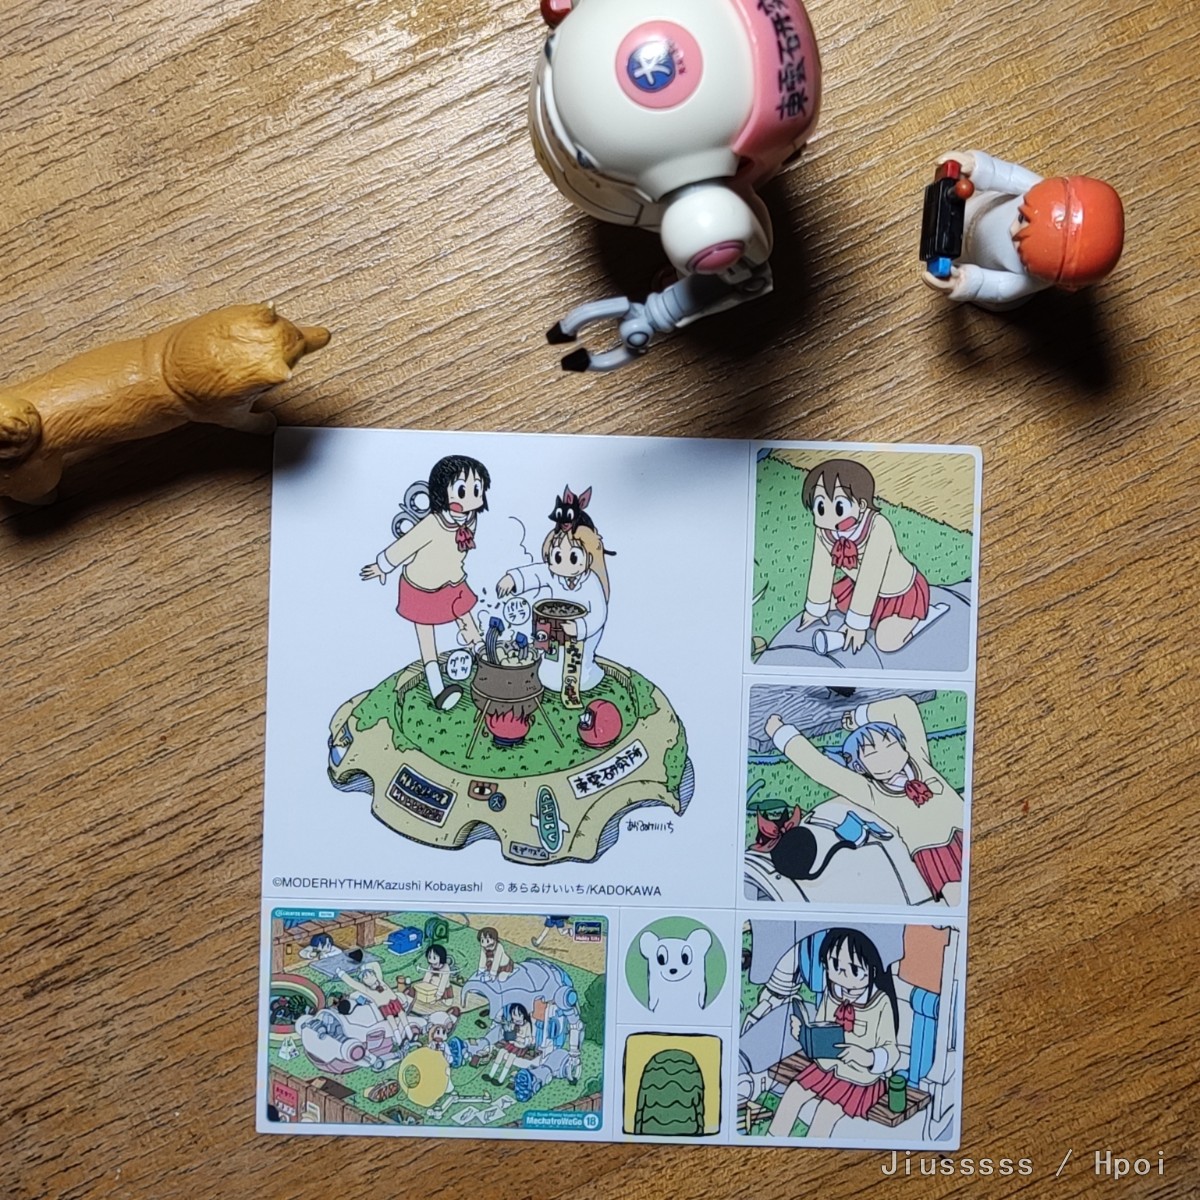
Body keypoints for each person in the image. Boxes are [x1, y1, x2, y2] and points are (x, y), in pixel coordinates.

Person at [765, 695, 964, 906]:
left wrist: (860, 716)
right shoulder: (871, 792)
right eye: (872, 754)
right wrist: (780, 732)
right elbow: (821, 769)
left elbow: (904, 707)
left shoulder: (919, 758)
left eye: (890, 744)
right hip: (934, 851)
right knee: (958, 898)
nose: (886, 755)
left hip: (966, 829)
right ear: (860, 767)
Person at [360, 455, 491, 710]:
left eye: (477, 490)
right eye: (462, 490)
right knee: (427, 639)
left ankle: (482, 653)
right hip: (421, 587)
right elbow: (404, 546)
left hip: (452, 581)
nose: (471, 498)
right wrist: (382, 566)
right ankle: (438, 689)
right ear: (443, 493)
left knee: (467, 617)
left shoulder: (470, 519)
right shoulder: (432, 524)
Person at [921, 150, 1124, 311]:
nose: (1012, 229)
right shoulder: (1036, 189)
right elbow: (1005, 175)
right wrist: (974, 166)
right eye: (1021, 218)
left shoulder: (1027, 280)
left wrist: (960, 282)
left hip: (974, 261)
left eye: (1020, 246)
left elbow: (997, 286)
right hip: (977, 208)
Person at [797, 459, 943, 655]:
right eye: (821, 507)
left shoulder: (878, 527)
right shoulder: (825, 529)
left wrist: (856, 624)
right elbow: (821, 566)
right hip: (858, 587)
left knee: (886, 642)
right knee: (831, 600)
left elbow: (870, 577)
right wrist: (816, 608)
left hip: (899, 594)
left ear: (862, 505)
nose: (828, 516)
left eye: (839, 507)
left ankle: (924, 618)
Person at [767, 929, 900, 1138]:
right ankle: (773, 1143)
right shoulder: (832, 993)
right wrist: (802, 1034)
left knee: (826, 1112)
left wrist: (867, 1057)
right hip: (826, 1068)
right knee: (792, 1094)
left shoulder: (880, 1002)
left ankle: (810, 1154)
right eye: (836, 965)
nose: (843, 976)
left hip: (860, 1079)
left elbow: (892, 1051)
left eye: (854, 969)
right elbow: (821, 1027)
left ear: (872, 969)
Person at [497, 488, 611, 693]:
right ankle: (548, 676)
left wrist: (580, 627)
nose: (563, 565)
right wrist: (512, 579)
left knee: (578, 665)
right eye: (557, 556)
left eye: (573, 557)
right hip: (553, 629)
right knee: (550, 657)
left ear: (589, 556)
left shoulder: (591, 582)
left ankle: (583, 680)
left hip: (581, 639)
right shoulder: (553, 574)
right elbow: (534, 573)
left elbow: (599, 614)